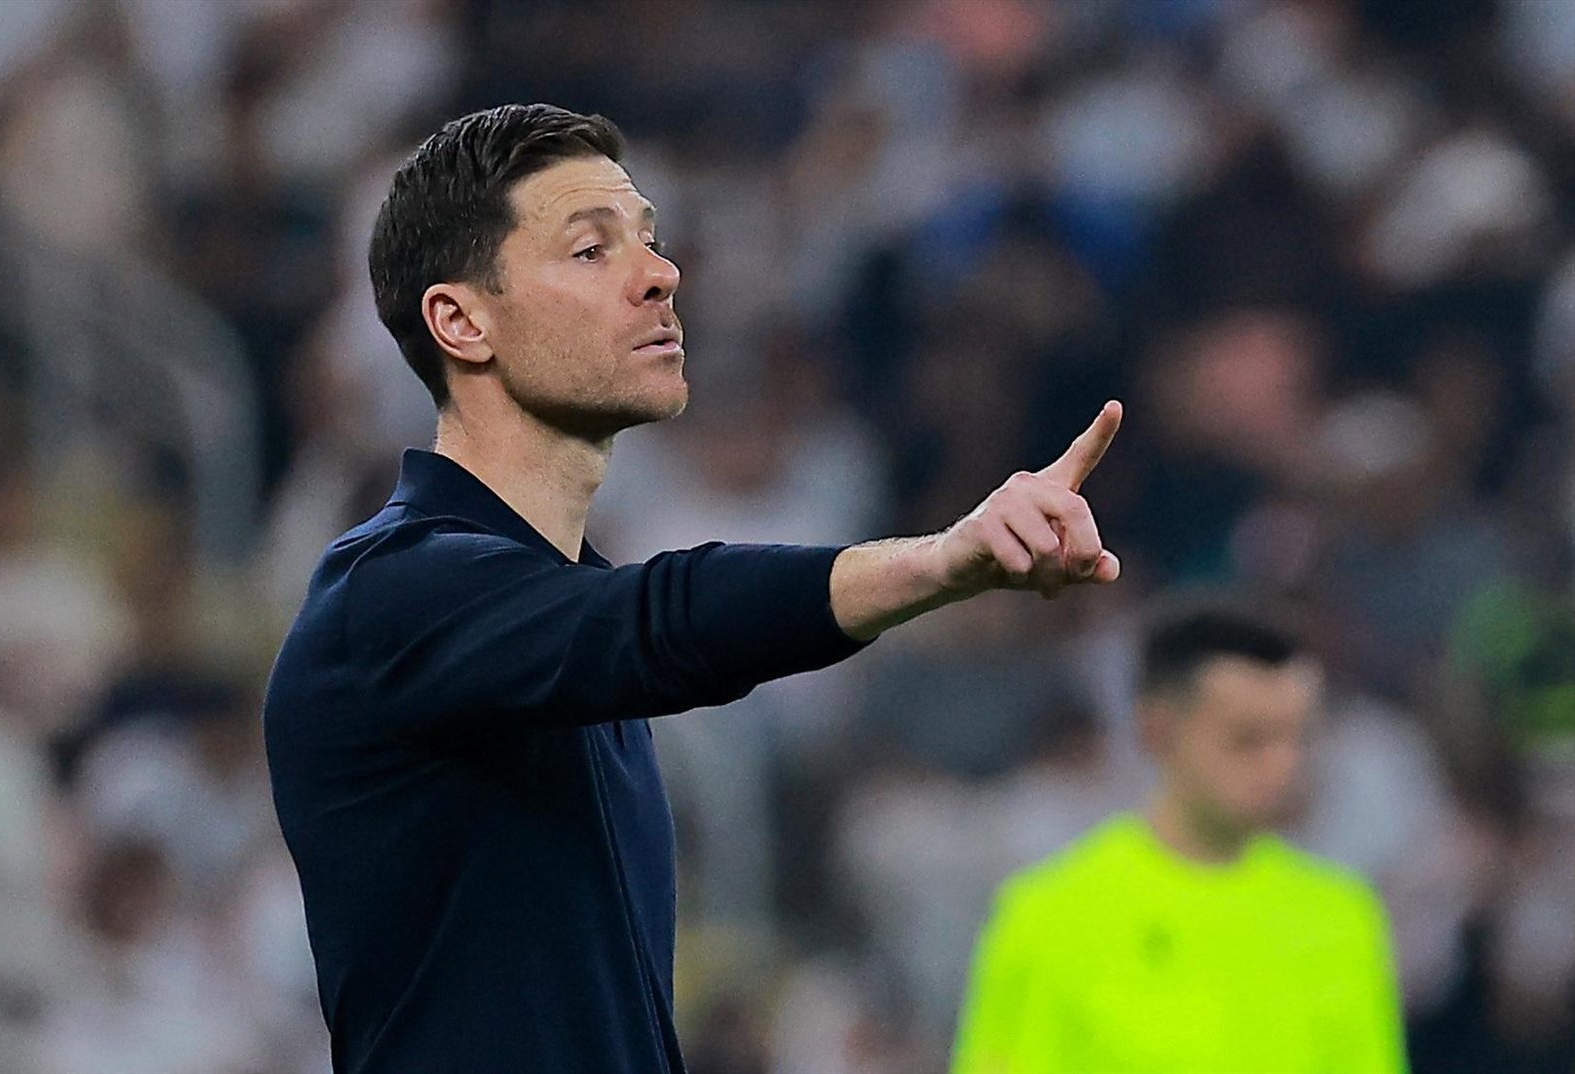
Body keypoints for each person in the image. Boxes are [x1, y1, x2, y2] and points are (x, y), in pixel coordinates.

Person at [263, 103, 1123, 1074]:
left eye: (651, 241)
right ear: (462, 322)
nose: (660, 274)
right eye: (591, 249)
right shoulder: (388, 594)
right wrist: (936, 563)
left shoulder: (566, 625)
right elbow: (665, 618)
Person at [952, 607, 1408, 1074]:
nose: (1282, 765)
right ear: (1158, 731)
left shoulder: (1341, 915)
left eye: (1296, 738)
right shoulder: (1049, 916)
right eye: (1248, 739)